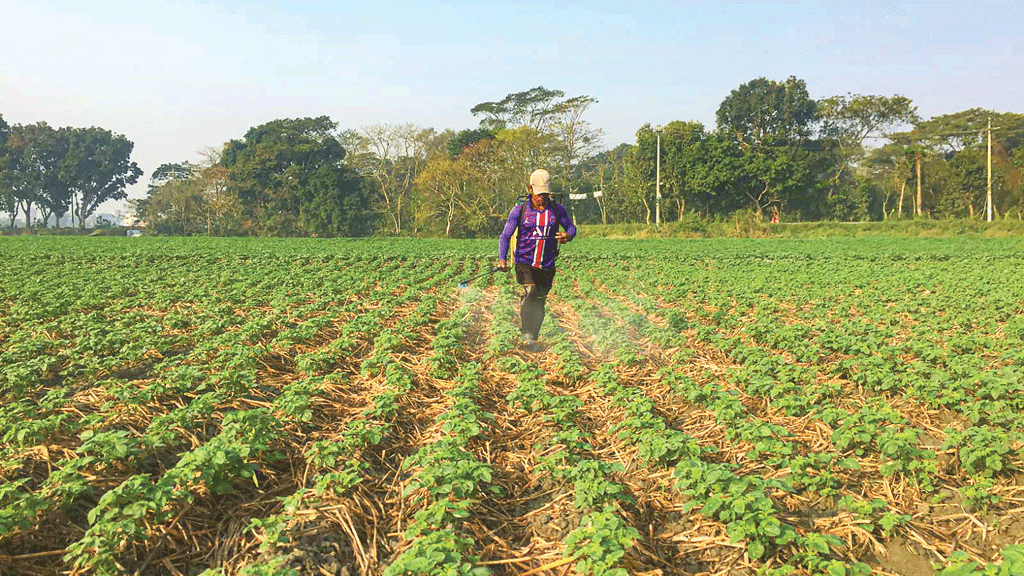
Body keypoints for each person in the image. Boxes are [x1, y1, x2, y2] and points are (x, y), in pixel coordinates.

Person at [497, 169, 576, 345]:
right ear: (530, 189)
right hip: (524, 262)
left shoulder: (556, 209)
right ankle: (525, 333)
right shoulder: (520, 211)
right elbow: (505, 236)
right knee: (531, 291)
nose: (542, 198)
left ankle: (533, 335)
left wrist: (568, 236)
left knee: (539, 301)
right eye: (539, 194)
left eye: (545, 194)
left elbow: (571, 227)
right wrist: (502, 259)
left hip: (547, 265)